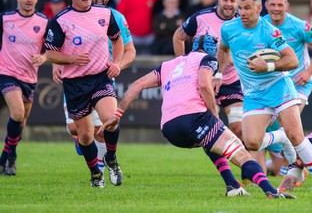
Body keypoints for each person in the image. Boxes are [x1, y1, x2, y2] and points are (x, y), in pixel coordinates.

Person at [101, 34, 296, 199]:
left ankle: (232, 186)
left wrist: (118, 114)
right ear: (213, 51)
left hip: (168, 129)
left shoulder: (169, 64)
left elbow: (136, 85)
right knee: (241, 153)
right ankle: (271, 192)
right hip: (193, 118)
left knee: (209, 140)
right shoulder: (208, 59)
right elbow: (204, 85)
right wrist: (214, 113)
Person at [217, 0, 312, 193]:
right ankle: (280, 137)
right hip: (254, 94)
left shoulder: (270, 31)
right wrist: (218, 73)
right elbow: (223, 49)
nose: (242, 13)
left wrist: (268, 66)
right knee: (252, 143)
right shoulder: (228, 29)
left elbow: (292, 59)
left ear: (258, 9)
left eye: (247, 8)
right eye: (240, 8)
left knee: (296, 134)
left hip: (279, 88)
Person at [45, 0, 124, 188]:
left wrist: (116, 62)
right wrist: (71, 59)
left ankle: (112, 159)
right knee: (85, 135)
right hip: (75, 84)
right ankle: (95, 175)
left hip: (100, 78)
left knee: (111, 119)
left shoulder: (105, 13)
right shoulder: (60, 21)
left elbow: (117, 41)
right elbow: (50, 54)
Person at [257, 0, 312, 178]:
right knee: (272, 125)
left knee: (289, 125)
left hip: (299, 84)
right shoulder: (261, 24)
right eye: (272, 4)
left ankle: (302, 168)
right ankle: (281, 165)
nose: (276, 8)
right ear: (265, 6)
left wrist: (309, 71)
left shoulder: (299, 26)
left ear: (287, 6)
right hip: (275, 84)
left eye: (280, 5)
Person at [173, 0, 244, 141]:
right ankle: (224, 166)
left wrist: (234, 59)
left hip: (231, 81)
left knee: (239, 129)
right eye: (225, 0)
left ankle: (249, 162)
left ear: (237, 3)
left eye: (232, 1)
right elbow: (178, 37)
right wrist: (182, 63)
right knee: (210, 131)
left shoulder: (242, 21)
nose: (228, 4)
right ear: (218, 0)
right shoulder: (201, 18)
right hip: (205, 80)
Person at [0, 0, 49, 176]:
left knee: (21, 122)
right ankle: (10, 157)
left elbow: (52, 49)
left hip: (30, 77)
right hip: (7, 73)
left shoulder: (45, 22)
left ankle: (6, 156)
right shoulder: (5, 19)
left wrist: (44, 57)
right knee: (18, 113)